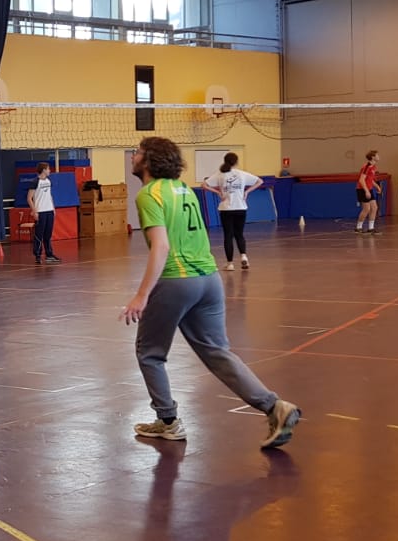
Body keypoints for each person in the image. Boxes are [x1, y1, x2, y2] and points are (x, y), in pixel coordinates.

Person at [121, 137, 300, 448]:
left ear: (148, 160)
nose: (132, 157)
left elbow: (161, 247)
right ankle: (275, 407)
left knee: (150, 353)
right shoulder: (184, 189)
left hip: (177, 280)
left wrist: (141, 295)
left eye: (137, 153)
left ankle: (168, 421)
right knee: (217, 352)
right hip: (209, 279)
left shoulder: (149, 194)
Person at [201, 152, 262, 270]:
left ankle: (230, 264)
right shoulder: (242, 174)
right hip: (241, 208)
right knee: (239, 234)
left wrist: (218, 192)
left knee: (228, 236)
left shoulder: (220, 174)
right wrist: (247, 192)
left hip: (226, 209)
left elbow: (204, 185)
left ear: (225, 161)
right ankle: (243, 256)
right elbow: (260, 181)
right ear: (236, 162)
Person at [28, 162, 61, 265]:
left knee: (48, 234)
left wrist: (53, 208)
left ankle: (49, 254)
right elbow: (29, 198)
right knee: (39, 234)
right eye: (48, 169)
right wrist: (34, 211)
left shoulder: (48, 181)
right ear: (43, 170)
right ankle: (37, 255)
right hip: (40, 211)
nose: (49, 171)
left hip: (49, 211)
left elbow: (49, 196)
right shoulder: (35, 182)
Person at [355, 150, 380, 234]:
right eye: (377, 155)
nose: (378, 157)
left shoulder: (373, 167)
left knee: (374, 207)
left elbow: (370, 179)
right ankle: (358, 228)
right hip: (362, 189)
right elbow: (361, 180)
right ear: (373, 157)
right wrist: (366, 191)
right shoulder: (367, 167)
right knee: (366, 209)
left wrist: (377, 186)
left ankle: (371, 228)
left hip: (369, 189)